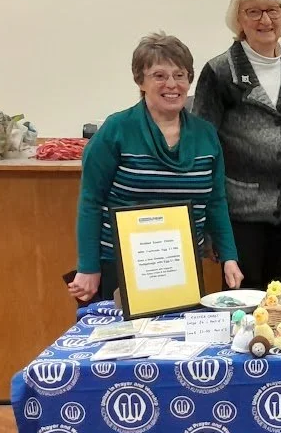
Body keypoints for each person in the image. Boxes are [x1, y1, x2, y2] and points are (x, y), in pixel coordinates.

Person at [68, 33, 242, 301]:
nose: (171, 84)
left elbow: (216, 202)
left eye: (180, 75)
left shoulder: (207, 135)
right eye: (159, 75)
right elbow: (91, 201)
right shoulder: (116, 130)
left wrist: (229, 256)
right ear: (141, 81)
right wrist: (88, 267)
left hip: (181, 269)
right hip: (119, 266)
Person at [192, 0, 281, 289]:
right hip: (239, 217)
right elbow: (203, 149)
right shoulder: (219, 72)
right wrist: (208, 223)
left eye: (273, 11)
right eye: (253, 12)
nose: (265, 20)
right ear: (238, 20)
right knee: (243, 309)